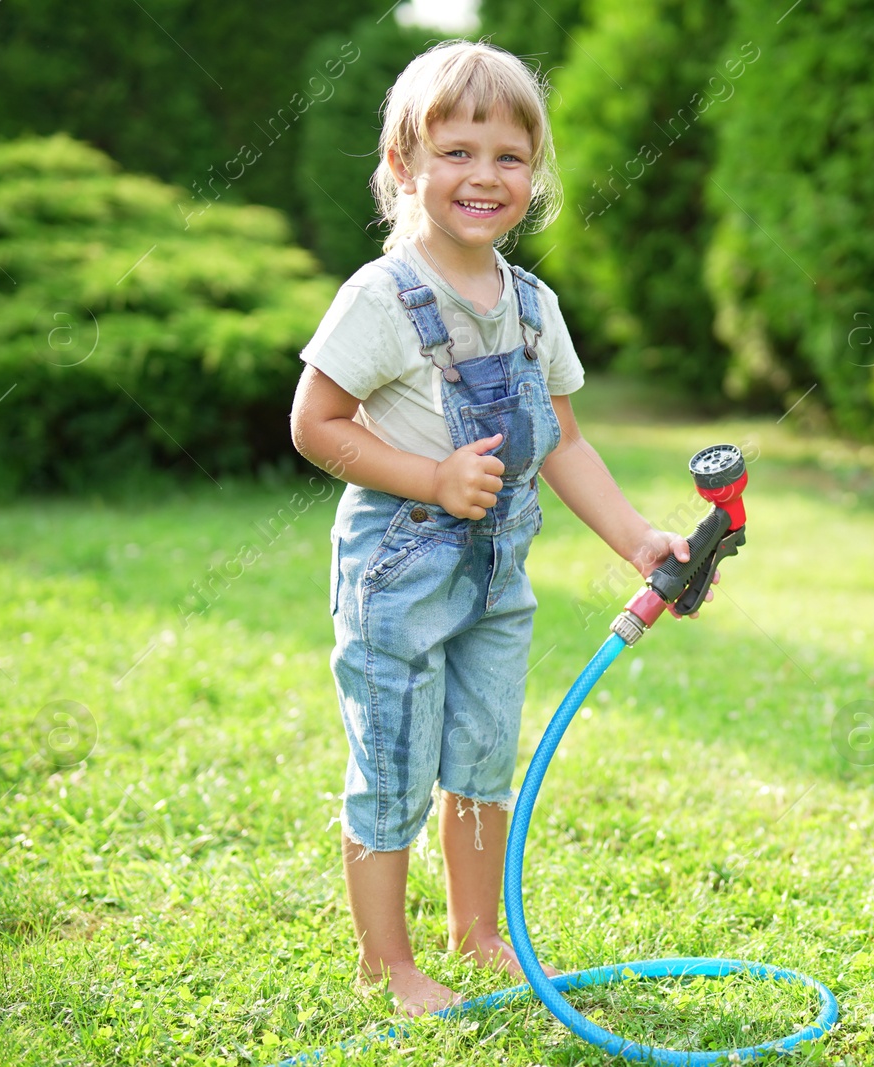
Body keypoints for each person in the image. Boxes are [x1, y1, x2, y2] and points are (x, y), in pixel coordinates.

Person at [288, 39, 714, 1018]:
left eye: (509, 156)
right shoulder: (380, 296)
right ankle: (385, 961)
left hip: (496, 573)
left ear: (534, 174)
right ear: (403, 166)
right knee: (395, 756)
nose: (484, 175)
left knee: (482, 754)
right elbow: (315, 423)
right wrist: (429, 476)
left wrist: (639, 539)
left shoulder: (531, 305)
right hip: (397, 566)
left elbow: (562, 439)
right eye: (457, 152)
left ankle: (478, 936)